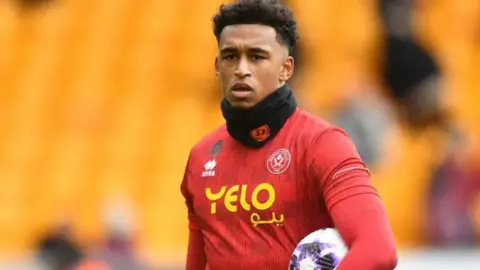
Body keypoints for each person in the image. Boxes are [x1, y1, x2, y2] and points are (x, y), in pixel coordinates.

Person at [180, 0, 398, 269]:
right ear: (217, 66)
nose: (241, 69)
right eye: (230, 56)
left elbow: (378, 249)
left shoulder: (323, 144)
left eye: (257, 56)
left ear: (286, 68)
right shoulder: (201, 158)